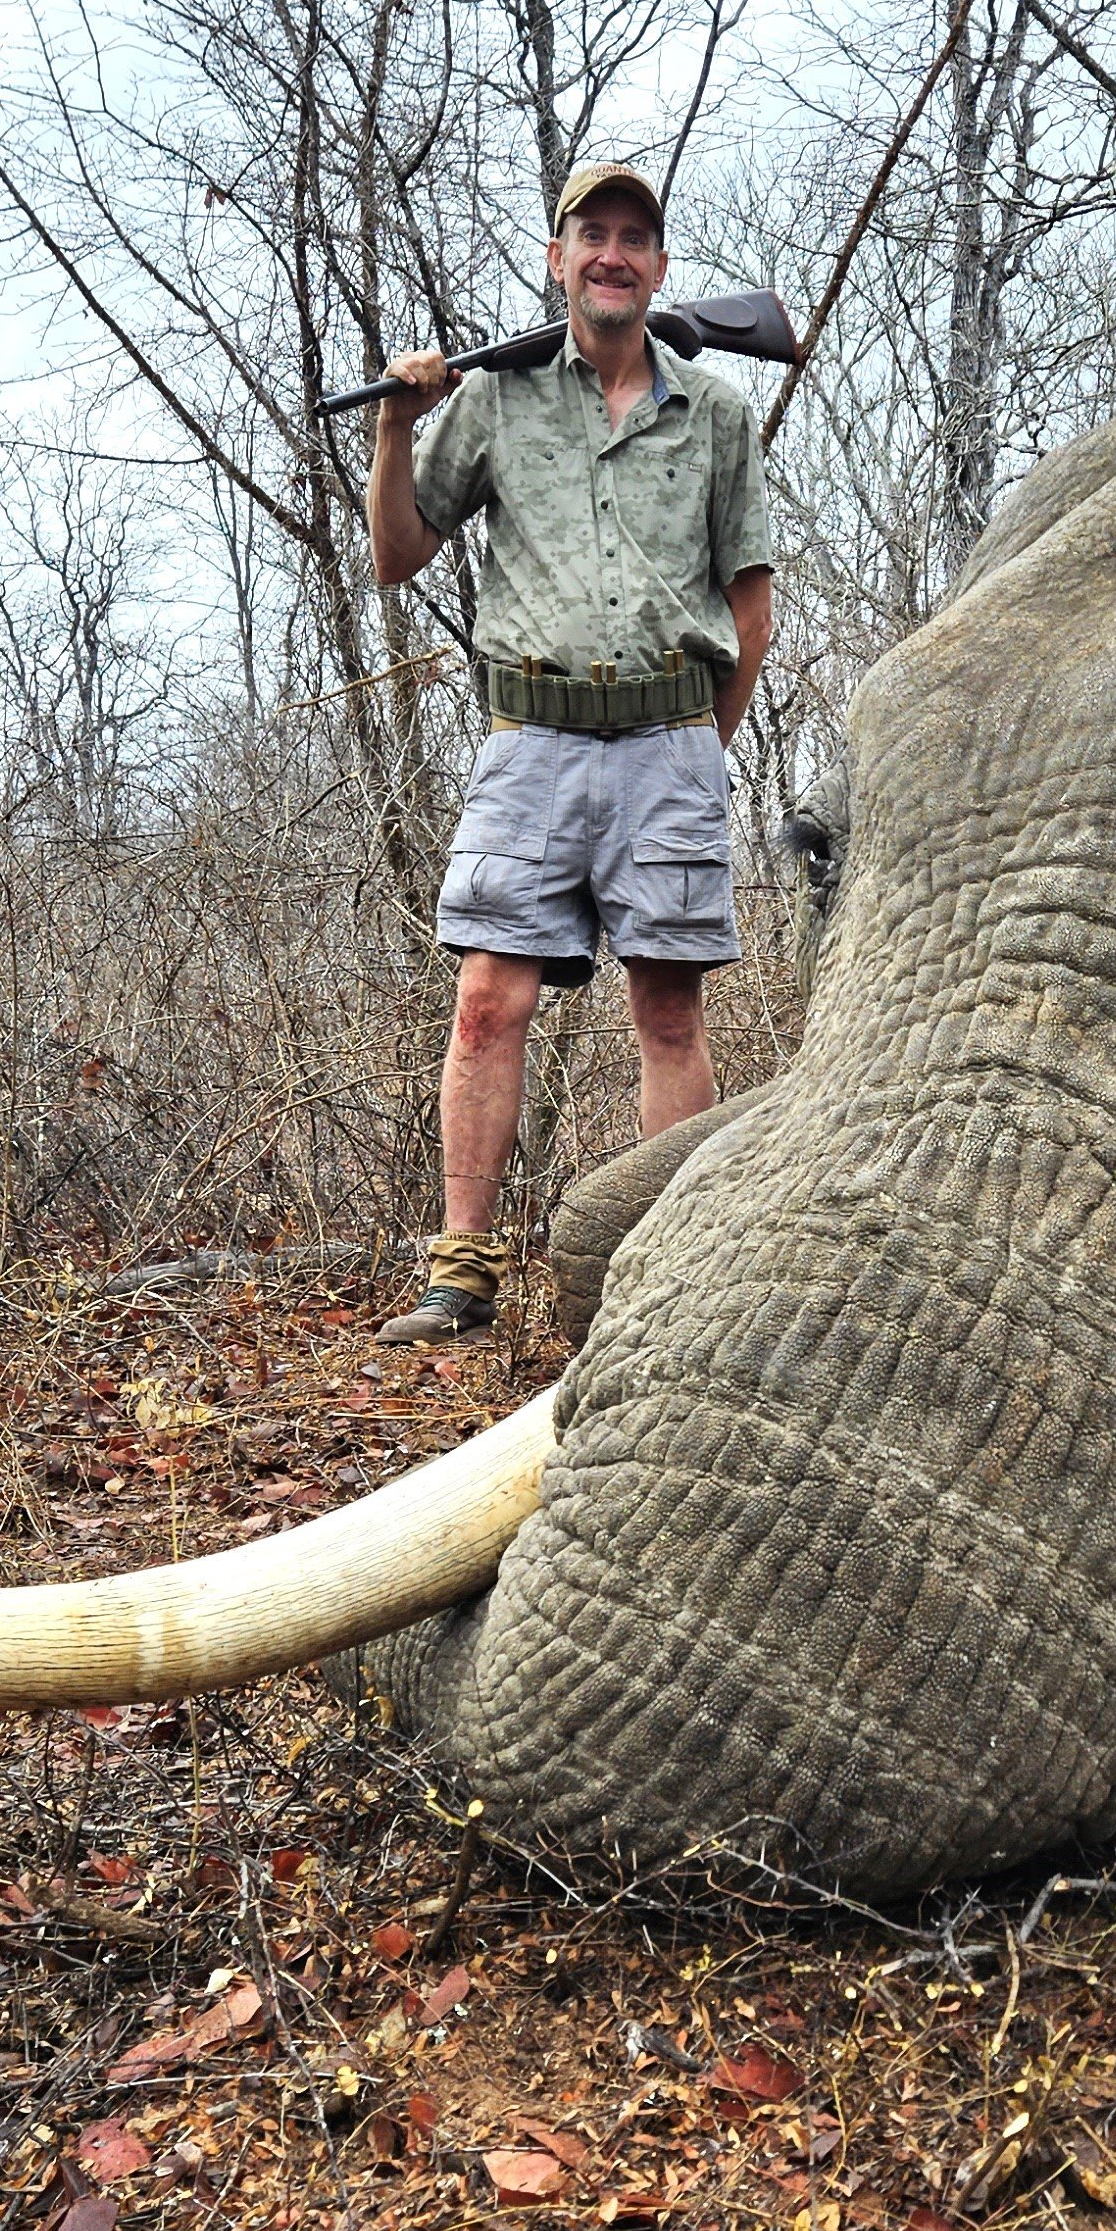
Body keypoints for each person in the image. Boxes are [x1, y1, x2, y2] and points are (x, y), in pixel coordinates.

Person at [363, 158, 778, 1343]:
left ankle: (670, 1273)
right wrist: (400, 423)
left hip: (669, 744)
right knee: (487, 1006)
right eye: (589, 234)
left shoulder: (719, 413)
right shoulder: (492, 403)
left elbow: (749, 606)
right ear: (558, 259)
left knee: (667, 1013)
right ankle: (461, 1274)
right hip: (530, 744)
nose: (611, 254)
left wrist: (703, 745)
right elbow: (397, 556)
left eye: (633, 238)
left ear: (657, 266)